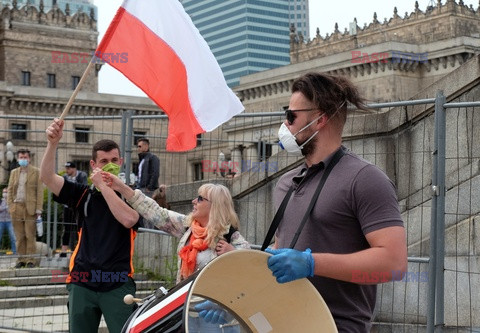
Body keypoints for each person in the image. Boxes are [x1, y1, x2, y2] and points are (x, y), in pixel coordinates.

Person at [265, 72, 408, 332]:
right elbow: (280, 257)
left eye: (291, 116)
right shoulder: (286, 183)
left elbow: (394, 264)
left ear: (320, 119)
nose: (285, 126)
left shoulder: (365, 179)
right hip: (282, 322)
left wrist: (312, 264)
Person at [104, 176, 249, 332]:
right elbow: (156, 212)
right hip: (186, 311)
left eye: (200, 199)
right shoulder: (188, 227)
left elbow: (250, 267)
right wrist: (122, 188)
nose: (193, 201)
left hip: (215, 315)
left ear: (215, 206)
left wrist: (233, 253)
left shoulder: (230, 237)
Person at [41, 119, 142, 333]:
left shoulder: (131, 196)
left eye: (114, 160)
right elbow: (47, 177)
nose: (110, 164)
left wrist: (105, 187)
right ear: (93, 165)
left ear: (122, 162)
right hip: (82, 281)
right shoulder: (82, 195)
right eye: (103, 161)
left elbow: (128, 220)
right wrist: (52, 143)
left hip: (118, 282)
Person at [7, 149, 43, 268]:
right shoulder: (14, 172)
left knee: (30, 235)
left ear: (29, 158)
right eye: (21, 157)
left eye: (25, 157)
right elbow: (10, 190)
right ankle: (20, 259)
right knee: (19, 236)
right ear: (18, 159)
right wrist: (11, 206)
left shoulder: (36, 172)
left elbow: (39, 191)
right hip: (16, 207)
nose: (23, 159)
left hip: (30, 208)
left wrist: (39, 209)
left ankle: (30, 260)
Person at [60, 161, 88, 257]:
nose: (67, 170)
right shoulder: (64, 177)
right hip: (68, 206)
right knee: (66, 227)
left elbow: (83, 189)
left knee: (79, 227)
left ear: (74, 168)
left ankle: (79, 249)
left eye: (69, 168)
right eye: (66, 168)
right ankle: (64, 250)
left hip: (78, 206)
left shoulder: (82, 176)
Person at [0, 188, 16, 254]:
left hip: (10, 221)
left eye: (6, 192)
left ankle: (15, 252)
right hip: (0, 221)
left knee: (13, 237)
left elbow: (13, 210)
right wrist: (7, 207)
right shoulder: (1, 201)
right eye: (4, 192)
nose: (5, 194)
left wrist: (7, 207)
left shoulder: (11, 201)